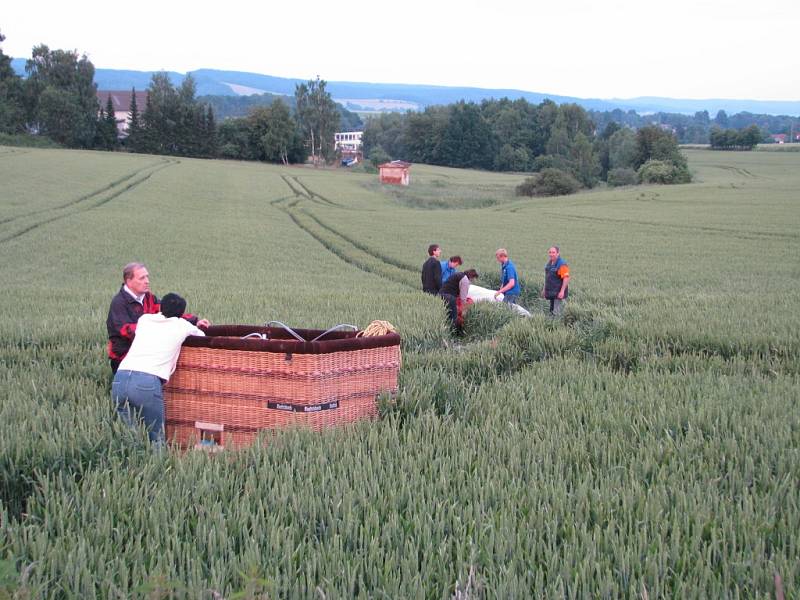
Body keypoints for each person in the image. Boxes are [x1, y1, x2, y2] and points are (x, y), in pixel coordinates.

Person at [111, 293, 206, 445]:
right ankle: (157, 465)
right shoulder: (182, 325)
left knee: (130, 437)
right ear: (182, 313)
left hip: (120, 379)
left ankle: (131, 465)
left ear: (161, 307)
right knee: (156, 437)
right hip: (146, 382)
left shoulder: (145, 319)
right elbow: (202, 337)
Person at [106, 262, 210, 373]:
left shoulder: (148, 297)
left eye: (147, 276)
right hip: (124, 359)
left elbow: (169, 312)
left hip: (147, 357)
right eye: (142, 278)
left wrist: (194, 321)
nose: (147, 281)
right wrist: (158, 328)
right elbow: (125, 330)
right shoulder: (119, 303)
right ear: (128, 281)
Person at [541, 246, 570, 316]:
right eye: (550, 252)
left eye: (553, 252)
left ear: (558, 253)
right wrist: (544, 290)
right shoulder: (549, 264)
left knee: (557, 313)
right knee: (551, 312)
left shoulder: (562, 264)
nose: (551, 254)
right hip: (551, 293)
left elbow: (566, 278)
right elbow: (547, 278)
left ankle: (558, 326)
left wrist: (562, 291)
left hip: (558, 293)